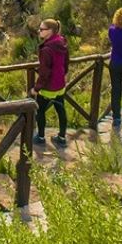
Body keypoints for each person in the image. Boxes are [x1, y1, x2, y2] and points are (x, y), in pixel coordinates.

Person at [31, 18, 70, 147]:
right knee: (61, 110)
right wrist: (63, 76)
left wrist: (36, 88)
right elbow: (66, 63)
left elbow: (44, 72)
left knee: (40, 111)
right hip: (60, 84)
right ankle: (62, 137)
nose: (39, 31)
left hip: (49, 87)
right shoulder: (62, 42)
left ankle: (41, 137)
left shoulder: (46, 49)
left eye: (42, 29)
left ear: (50, 31)